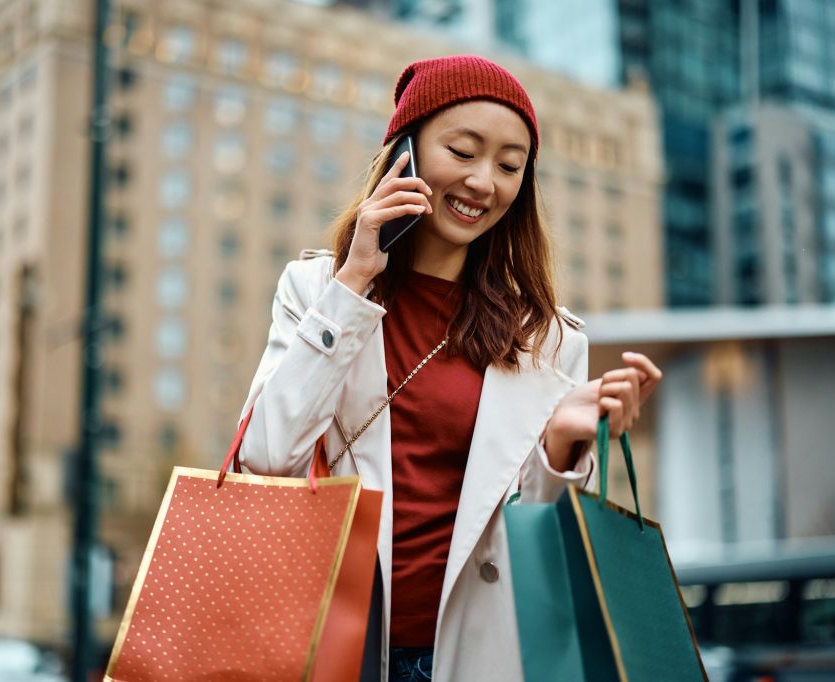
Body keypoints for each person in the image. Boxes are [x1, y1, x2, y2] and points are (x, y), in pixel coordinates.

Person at [237, 55, 663, 681]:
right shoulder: (317, 289)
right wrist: (355, 282)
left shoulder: (545, 337)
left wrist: (558, 448)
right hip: (335, 650)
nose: (484, 182)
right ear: (403, 153)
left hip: (480, 657)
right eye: (463, 152)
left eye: (510, 166)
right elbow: (267, 456)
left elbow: (539, 542)